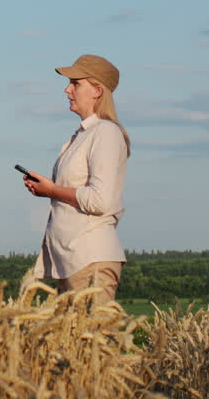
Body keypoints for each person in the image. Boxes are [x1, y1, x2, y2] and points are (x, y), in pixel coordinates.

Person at [23, 54, 132, 303]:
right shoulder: (83, 135)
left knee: (94, 340)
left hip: (90, 259)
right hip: (73, 260)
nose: (67, 89)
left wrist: (51, 190)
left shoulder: (105, 133)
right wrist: (48, 188)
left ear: (97, 90)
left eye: (75, 83)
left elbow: (99, 200)